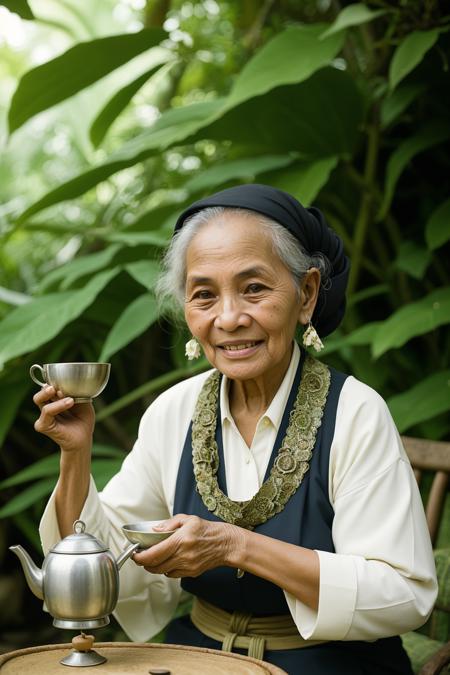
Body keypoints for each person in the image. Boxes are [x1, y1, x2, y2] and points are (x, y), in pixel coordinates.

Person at [35, 184, 437, 674]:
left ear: (306, 293)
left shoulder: (355, 413)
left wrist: (235, 545)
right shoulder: (174, 411)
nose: (229, 318)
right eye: (204, 295)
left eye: (254, 288)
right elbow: (112, 565)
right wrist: (75, 455)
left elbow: (402, 594)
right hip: (197, 659)